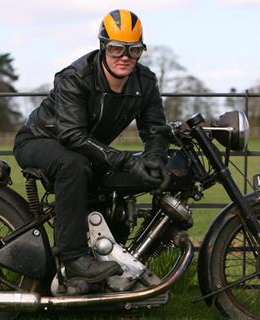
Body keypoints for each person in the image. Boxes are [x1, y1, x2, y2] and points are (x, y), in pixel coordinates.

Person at [13, 9, 169, 284]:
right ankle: (73, 259)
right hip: (39, 140)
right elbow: (72, 135)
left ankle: (108, 259)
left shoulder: (145, 82)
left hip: (85, 148)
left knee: (116, 178)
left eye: (133, 50)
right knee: (74, 164)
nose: (124, 57)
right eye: (116, 48)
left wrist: (154, 157)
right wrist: (126, 161)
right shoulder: (77, 76)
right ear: (103, 47)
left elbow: (155, 129)